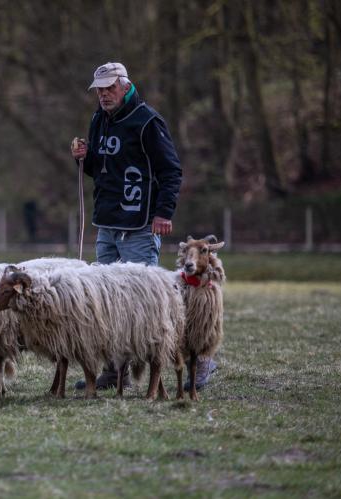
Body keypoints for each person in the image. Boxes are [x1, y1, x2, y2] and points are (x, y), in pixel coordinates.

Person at [70, 62, 215, 392]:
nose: (104, 95)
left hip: (139, 225)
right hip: (106, 223)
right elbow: (99, 167)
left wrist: (163, 213)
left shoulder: (148, 120)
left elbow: (171, 170)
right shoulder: (98, 120)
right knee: (105, 301)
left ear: (125, 85)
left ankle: (195, 359)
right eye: (99, 89)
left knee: (147, 304)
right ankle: (113, 369)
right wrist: (84, 156)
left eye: (109, 88)